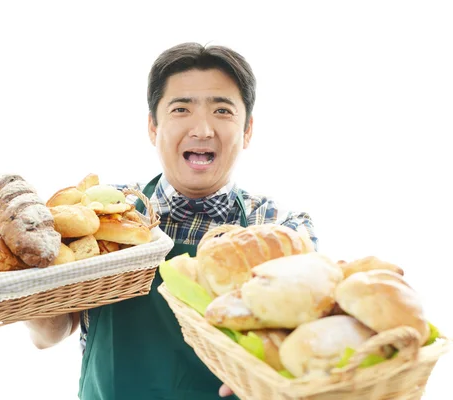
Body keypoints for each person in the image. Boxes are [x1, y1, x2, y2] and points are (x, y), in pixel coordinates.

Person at [25, 42, 318, 399]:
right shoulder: (105, 216)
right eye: (181, 108)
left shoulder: (282, 229)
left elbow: (301, 348)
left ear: (247, 130)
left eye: (222, 111)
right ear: (153, 126)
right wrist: (31, 275)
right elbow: (47, 336)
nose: (202, 129)